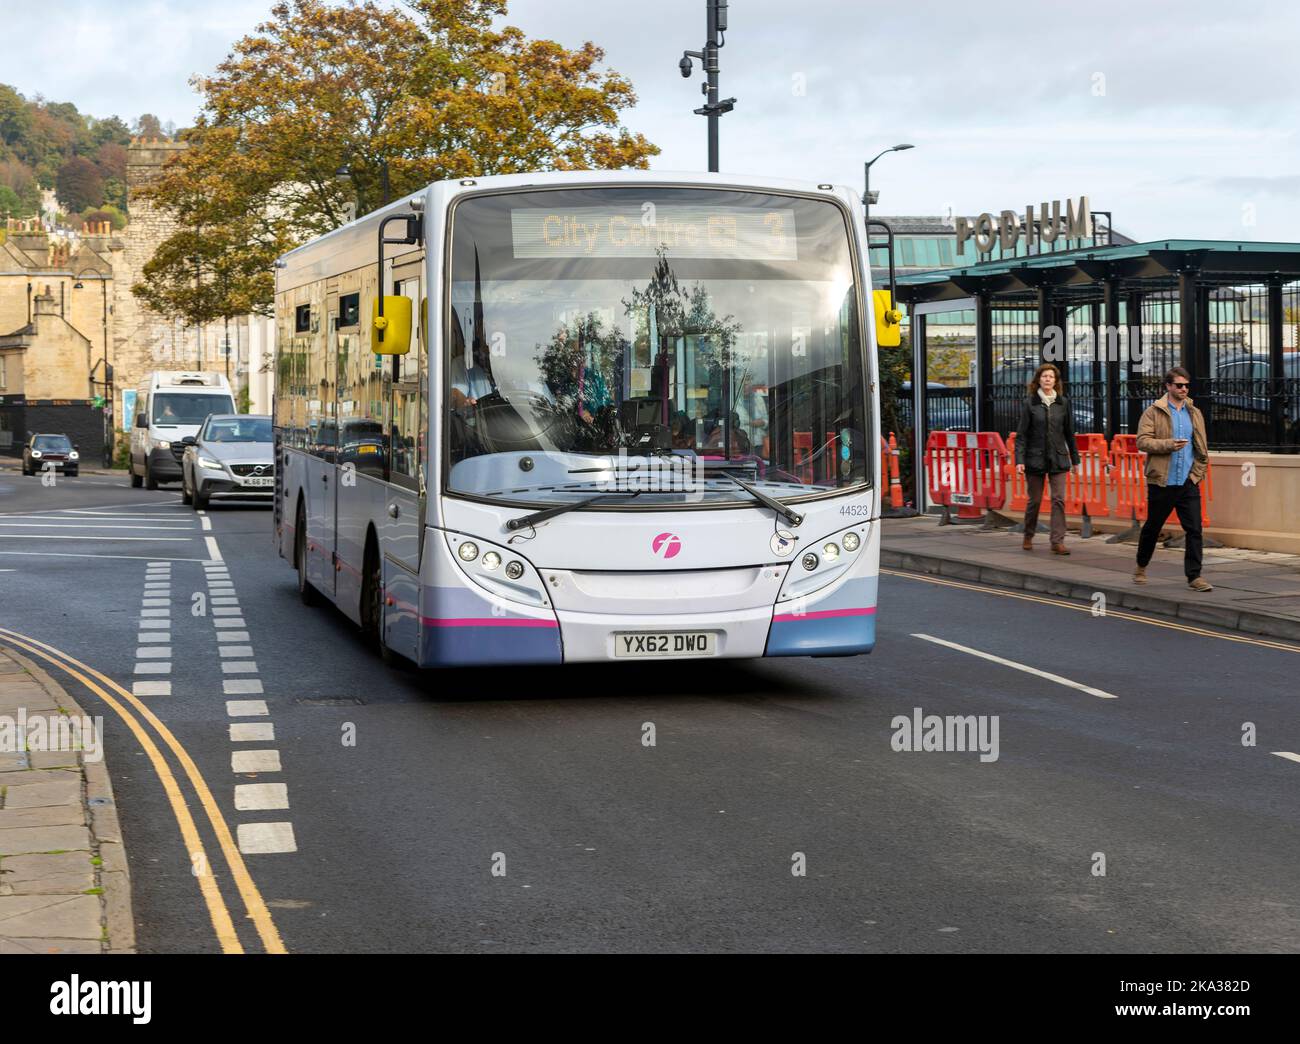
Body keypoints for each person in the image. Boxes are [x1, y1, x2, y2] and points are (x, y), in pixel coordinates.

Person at [1133, 366, 1212, 591]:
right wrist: (1168, 444)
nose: (1184, 389)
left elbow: (1202, 447)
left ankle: (1194, 577)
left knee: (1195, 530)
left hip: (1187, 482)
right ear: (1168, 386)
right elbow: (1142, 441)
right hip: (1162, 482)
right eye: (1179, 385)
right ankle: (1141, 566)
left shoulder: (1193, 412)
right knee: (1153, 527)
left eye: (1186, 385)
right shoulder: (1153, 411)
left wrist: (1196, 475)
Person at [1014, 362, 1079, 554]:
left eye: (1051, 377)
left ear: (1056, 381)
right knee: (1034, 500)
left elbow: (1069, 433)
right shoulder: (1030, 403)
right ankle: (1028, 534)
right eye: (1044, 376)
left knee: (1058, 499)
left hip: (1058, 459)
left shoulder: (1063, 403)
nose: (1047, 379)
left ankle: (1057, 541)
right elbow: (1021, 435)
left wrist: (1075, 460)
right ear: (1038, 380)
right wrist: (1019, 460)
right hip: (1035, 459)